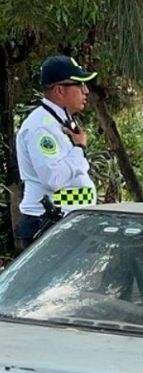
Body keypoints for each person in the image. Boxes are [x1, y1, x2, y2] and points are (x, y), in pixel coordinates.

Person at [15, 55, 98, 250]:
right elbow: (53, 178)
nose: (86, 91)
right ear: (59, 90)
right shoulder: (41, 127)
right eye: (79, 85)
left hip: (62, 222)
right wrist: (79, 149)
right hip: (46, 224)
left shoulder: (59, 120)